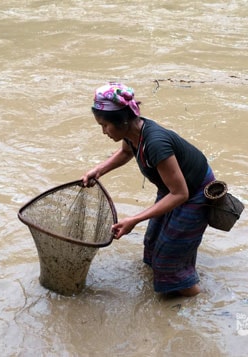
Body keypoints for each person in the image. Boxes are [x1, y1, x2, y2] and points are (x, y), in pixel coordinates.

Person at [81, 82, 215, 297]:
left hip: (194, 192)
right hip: (172, 186)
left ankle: (196, 300)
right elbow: (126, 153)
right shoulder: (132, 133)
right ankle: (179, 277)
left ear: (123, 121)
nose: (103, 131)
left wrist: (133, 219)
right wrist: (98, 170)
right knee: (153, 245)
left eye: (105, 125)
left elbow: (181, 194)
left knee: (167, 261)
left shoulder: (155, 143)